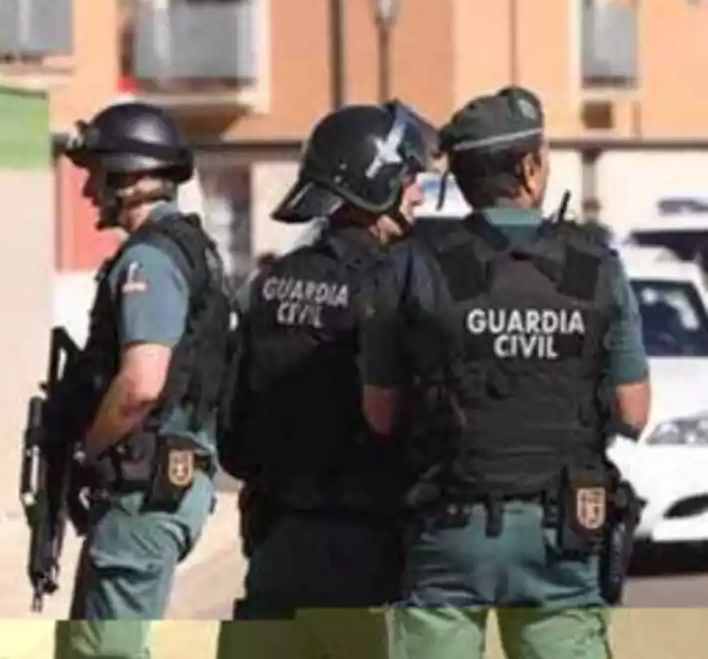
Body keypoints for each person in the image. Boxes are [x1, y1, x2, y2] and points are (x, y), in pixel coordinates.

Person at [360, 86, 652, 659]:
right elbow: (633, 412)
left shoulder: (414, 264)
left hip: (450, 526)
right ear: (529, 166)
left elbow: (380, 415)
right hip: (562, 532)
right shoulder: (594, 267)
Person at [216, 102, 435, 659]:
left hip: (278, 547)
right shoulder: (394, 286)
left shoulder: (268, 285)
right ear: (374, 181)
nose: (416, 191)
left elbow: (234, 437)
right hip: (369, 550)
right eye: (408, 176)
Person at [53, 101, 234, 659]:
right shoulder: (183, 247)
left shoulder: (149, 261)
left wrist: (88, 449)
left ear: (129, 178)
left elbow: (140, 385)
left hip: (144, 483)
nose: (88, 194)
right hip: (158, 478)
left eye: (97, 178)